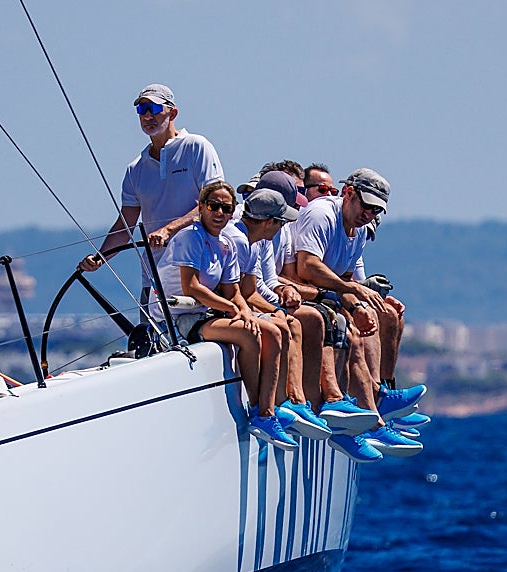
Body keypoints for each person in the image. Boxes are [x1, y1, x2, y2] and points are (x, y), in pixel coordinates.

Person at [293, 168, 425, 460]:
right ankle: (365, 415)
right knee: (349, 328)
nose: (369, 214)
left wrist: (357, 301)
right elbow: (307, 268)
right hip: (300, 292)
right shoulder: (322, 214)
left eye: (377, 210)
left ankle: (381, 393)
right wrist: (352, 299)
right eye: (366, 205)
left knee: (382, 315)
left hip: (326, 294)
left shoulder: (361, 231)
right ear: (348, 193)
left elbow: (345, 276)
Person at [154, 181, 296, 449]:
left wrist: (244, 310)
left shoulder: (226, 244)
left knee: (271, 331)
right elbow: (191, 286)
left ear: (233, 212)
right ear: (201, 207)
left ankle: (268, 409)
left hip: (204, 313)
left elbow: (235, 291)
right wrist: (235, 310)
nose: (219, 212)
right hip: (176, 317)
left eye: (226, 208)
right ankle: (260, 411)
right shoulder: (190, 237)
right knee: (247, 334)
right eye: (213, 206)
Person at [78, 84, 224, 314]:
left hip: (199, 271)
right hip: (154, 273)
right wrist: (100, 257)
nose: (147, 116)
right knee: (151, 342)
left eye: (154, 108)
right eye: (142, 110)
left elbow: (213, 206)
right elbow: (125, 224)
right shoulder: (135, 168)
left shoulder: (197, 147)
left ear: (172, 113)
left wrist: (168, 230)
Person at [224, 180, 331, 439]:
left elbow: (250, 290)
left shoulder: (253, 240)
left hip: (237, 303)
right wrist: (264, 313)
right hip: (221, 309)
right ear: (267, 221)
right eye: (281, 221)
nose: (284, 227)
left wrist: (276, 307)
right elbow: (233, 292)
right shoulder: (237, 240)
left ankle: (282, 405)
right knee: (275, 330)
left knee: (287, 323)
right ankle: (264, 411)